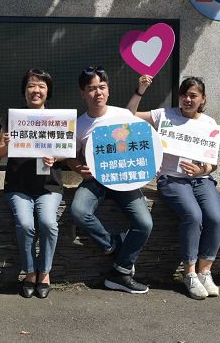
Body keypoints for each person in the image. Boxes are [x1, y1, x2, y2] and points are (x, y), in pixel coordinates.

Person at [127, 75, 220, 300]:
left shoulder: (208, 123)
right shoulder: (165, 115)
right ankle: (189, 273)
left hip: (201, 180)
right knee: (193, 215)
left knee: (216, 218)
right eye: (184, 95)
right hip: (171, 179)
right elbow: (129, 115)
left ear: (203, 99)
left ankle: (204, 271)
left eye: (193, 96)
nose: (188, 100)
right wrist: (140, 90)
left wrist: (202, 171)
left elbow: (214, 162)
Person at [67, 66, 153, 294]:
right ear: (83, 93)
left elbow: (142, 144)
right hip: (95, 180)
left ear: (108, 90)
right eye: (92, 88)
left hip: (124, 177)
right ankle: (113, 245)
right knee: (78, 211)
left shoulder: (122, 115)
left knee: (145, 224)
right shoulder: (79, 124)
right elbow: (69, 157)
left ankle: (121, 272)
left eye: (102, 87)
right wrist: (79, 169)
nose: (98, 93)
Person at [0, 69, 63, 299]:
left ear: (48, 91)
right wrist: (5, 144)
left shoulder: (58, 120)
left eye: (41, 86)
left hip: (49, 186)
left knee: (47, 223)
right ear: (24, 91)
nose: (36, 90)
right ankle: (29, 272)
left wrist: (56, 157)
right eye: (31, 86)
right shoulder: (11, 117)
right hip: (18, 186)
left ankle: (44, 272)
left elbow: (67, 152)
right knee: (25, 225)